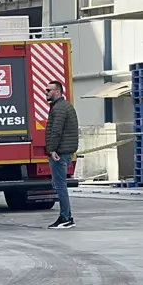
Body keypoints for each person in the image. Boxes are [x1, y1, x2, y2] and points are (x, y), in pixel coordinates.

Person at [45, 80, 78, 229]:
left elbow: (56, 131)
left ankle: (65, 218)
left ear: (57, 92)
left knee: (60, 186)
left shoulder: (59, 109)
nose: (46, 92)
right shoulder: (64, 106)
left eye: (49, 90)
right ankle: (67, 217)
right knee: (60, 185)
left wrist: (52, 149)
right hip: (65, 150)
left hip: (60, 152)